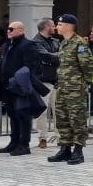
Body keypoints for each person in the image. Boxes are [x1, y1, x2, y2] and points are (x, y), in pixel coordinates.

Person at [48, 14, 93, 165]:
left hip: (75, 89)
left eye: (60, 25)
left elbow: (88, 66)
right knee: (62, 119)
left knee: (77, 119)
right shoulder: (63, 43)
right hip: (62, 87)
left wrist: (84, 83)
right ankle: (65, 149)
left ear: (68, 26)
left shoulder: (79, 43)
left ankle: (78, 151)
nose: (57, 27)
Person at [0, 21, 39, 155]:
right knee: (12, 115)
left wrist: (22, 82)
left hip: (20, 87)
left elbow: (30, 66)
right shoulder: (6, 45)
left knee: (23, 115)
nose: (8, 31)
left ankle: (24, 144)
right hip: (7, 87)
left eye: (11, 29)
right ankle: (14, 142)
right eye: (8, 29)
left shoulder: (27, 45)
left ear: (21, 31)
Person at [32, 18, 61, 149]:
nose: (55, 28)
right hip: (42, 80)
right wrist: (59, 56)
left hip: (56, 79)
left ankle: (61, 136)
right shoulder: (36, 42)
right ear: (45, 27)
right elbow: (44, 56)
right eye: (52, 25)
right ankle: (42, 137)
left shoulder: (56, 41)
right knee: (43, 111)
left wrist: (56, 57)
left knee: (59, 110)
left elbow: (54, 57)